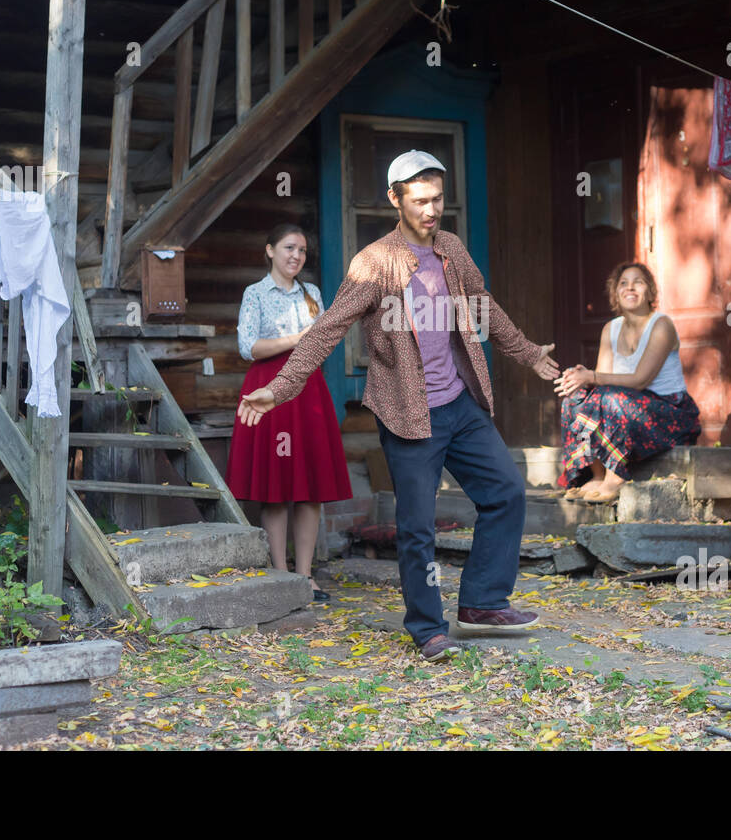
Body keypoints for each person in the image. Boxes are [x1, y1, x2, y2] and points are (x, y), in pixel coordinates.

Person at [237, 150, 561, 661]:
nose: (431, 210)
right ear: (395, 199)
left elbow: (484, 307)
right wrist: (279, 388)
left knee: (505, 492)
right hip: (410, 413)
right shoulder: (374, 263)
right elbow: (328, 329)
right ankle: (427, 627)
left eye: (437, 199)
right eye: (420, 200)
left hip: (460, 402)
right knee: (417, 526)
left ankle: (481, 602)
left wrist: (527, 354)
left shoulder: (451, 249)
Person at [226, 224, 353, 602]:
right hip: (269, 389)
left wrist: (310, 342)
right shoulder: (255, 293)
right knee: (277, 487)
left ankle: (306, 576)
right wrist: (298, 339)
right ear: (270, 250)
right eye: (288, 248)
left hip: (308, 390)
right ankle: (280, 575)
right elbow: (248, 346)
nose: (296, 255)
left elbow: (326, 339)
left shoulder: (311, 293)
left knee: (309, 488)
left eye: (301, 250)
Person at [553, 262, 701, 504]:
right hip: (627, 408)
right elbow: (599, 385)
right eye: (623, 283)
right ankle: (597, 474)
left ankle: (615, 477)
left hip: (669, 414)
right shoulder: (610, 329)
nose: (630, 287)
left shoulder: (662, 325)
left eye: (638, 282)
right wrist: (580, 377)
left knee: (612, 399)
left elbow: (640, 380)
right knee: (576, 399)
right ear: (615, 293)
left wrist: (591, 376)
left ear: (650, 292)